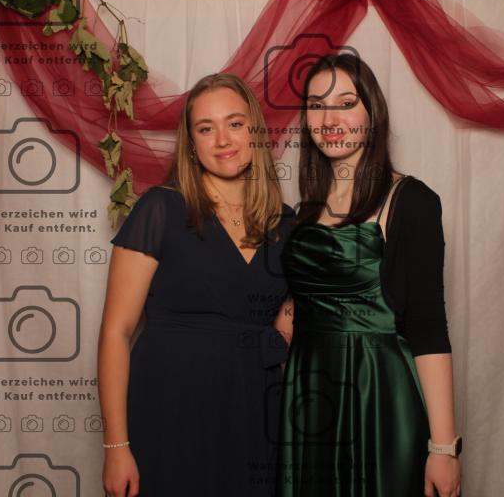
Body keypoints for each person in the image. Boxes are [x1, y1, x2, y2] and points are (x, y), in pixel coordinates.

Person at [98, 73, 295, 496]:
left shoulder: (286, 223)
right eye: (206, 129)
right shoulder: (161, 209)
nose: (223, 140)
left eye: (235, 124)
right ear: (191, 143)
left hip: (254, 409)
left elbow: (287, 328)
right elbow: (116, 332)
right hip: (170, 407)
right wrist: (116, 447)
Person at [275, 54, 461, 496]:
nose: (329, 119)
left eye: (345, 103)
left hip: (377, 394)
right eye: (317, 105)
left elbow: (429, 326)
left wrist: (443, 448)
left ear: (372, 113)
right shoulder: (306, 209)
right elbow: (300, 303)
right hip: (309, 395)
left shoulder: (411, 200)